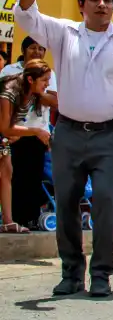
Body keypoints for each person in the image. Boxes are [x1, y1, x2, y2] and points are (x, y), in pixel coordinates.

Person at [15, 0, 113, 298]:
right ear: (81, 6)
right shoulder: (64, 33)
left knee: (104, 198)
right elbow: (29, 18)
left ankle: (101, 272)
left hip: (109, 136)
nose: (102, 5)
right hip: (68, 134)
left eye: (108, 0)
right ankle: (71, 272)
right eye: (95, 0)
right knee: (66, 201)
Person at [1, 38, 58, 230]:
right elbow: (5, 127)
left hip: (20, 136)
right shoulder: (9, 89)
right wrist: (31, 131)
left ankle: (12, 221)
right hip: (10, 135)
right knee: (9, 174)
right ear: (30, 80)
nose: (47, 86)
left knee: (11, 174)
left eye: (41, 48)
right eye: (44, 82)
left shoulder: (32, 94)